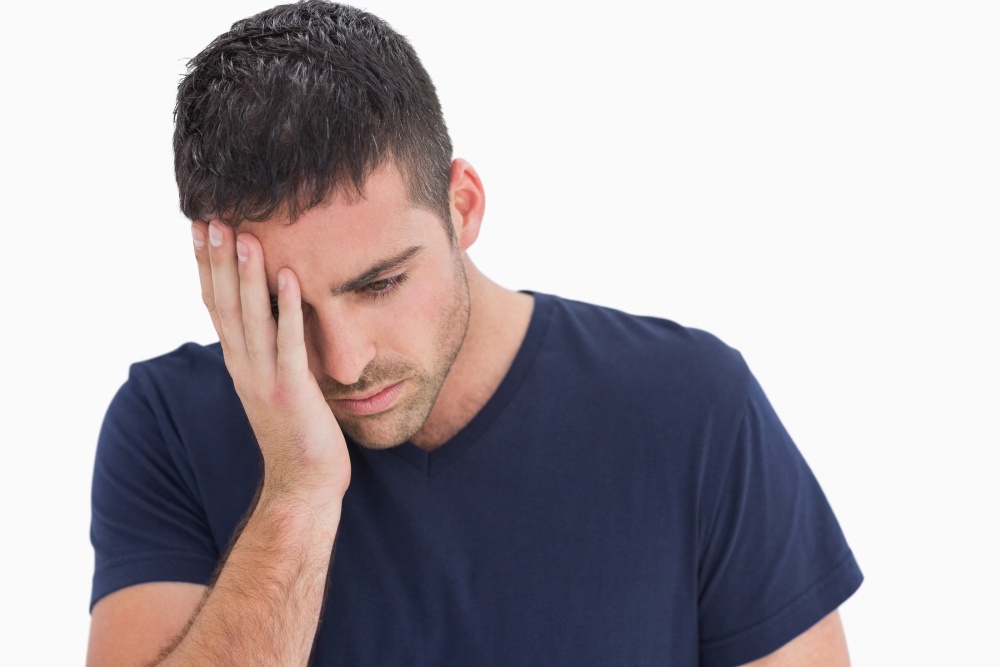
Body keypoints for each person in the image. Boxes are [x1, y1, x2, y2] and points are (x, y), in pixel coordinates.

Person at [86, 1, 862, 665]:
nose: (345, 361)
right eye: (285, 311)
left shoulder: (694, 406)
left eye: (380, 283)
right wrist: (297, 493)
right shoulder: (168, 424)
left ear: (463, 206)